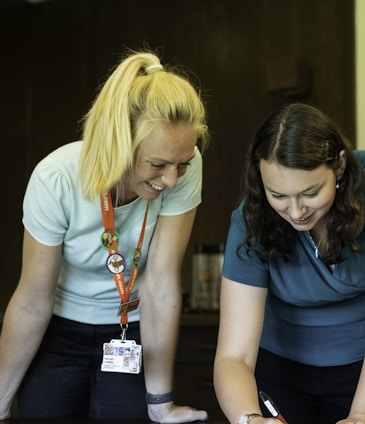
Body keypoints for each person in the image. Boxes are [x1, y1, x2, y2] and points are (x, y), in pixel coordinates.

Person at [0, 50, 210, 422]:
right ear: (119, 144)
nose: (173, 180)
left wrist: (161, 402)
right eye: (157, 165)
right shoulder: (57, 178)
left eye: (183, 164)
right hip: (59, 324)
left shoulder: (181, 168)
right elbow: (33, 299)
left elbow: (161, 284)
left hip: (131, 327)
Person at [213, 103, 365, 424]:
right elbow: (233, 355)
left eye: (310, 192)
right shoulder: (250, 217)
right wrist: (249, 419)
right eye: (278, 195)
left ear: (339, 166)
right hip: (281, 369)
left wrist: (362, 415)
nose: (296, 212)